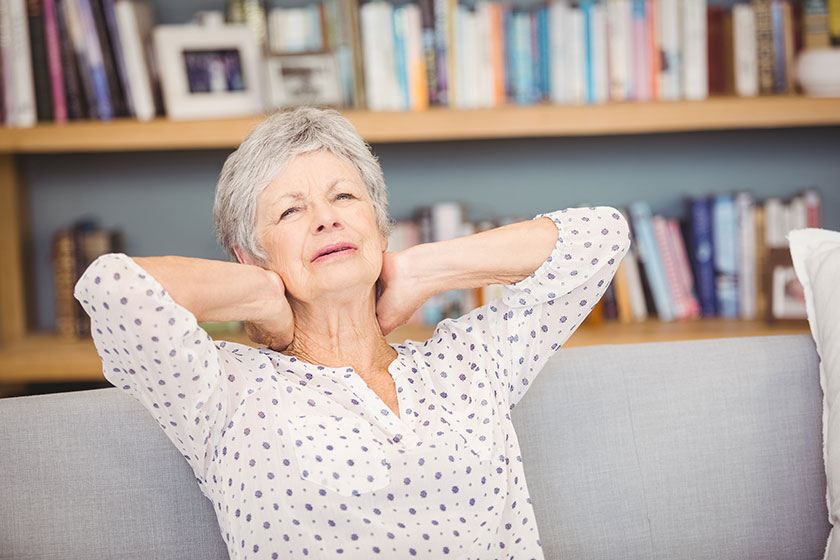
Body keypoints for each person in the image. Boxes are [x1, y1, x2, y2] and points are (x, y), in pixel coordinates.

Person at [74, 106, 630, 559]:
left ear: (380, 226)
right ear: (250, 254)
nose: (326, 218)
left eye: (343, 196)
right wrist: (259, 293)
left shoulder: (468, 361)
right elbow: (113, 289)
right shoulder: (226, 392)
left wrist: (424, 269)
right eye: (291, 212)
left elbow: (602, 236)